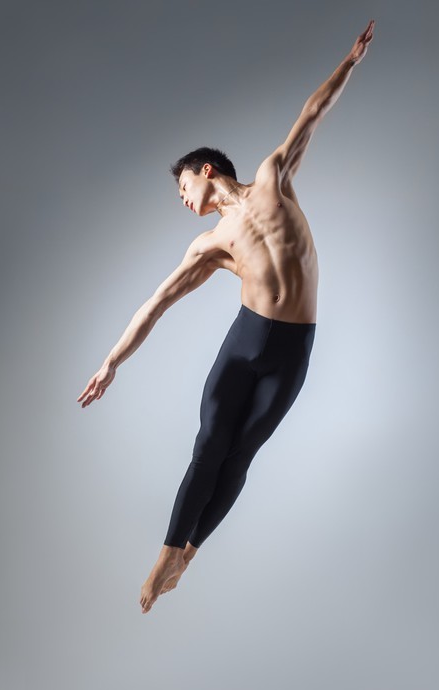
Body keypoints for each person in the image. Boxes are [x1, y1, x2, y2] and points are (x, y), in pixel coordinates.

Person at [76, 20, 375, 614]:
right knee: (210, 445)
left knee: (242, 455)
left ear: (206, 170)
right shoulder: (210, 245)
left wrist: (350, 62)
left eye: (182, 186)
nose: (182, 198)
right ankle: (165, 555)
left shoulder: (272, 180)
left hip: (292, 349)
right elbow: (155, 304)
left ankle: (188, 554)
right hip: (246, 342)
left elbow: (312, 112)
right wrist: (111, 361)